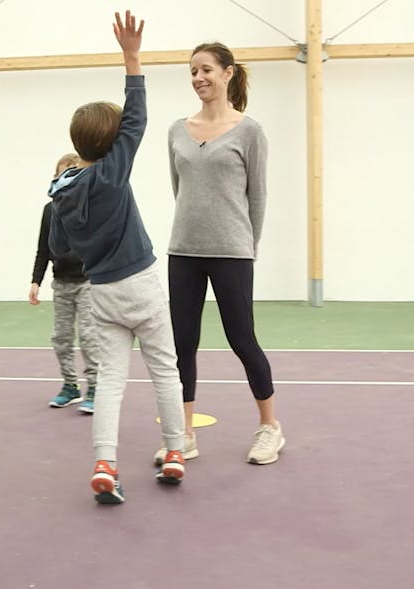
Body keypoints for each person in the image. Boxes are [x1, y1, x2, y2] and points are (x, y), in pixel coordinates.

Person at [49, 10, 186, 505]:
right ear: (111, 145)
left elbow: (60, 249)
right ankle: (174, 451)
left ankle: (105, 461)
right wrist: (132, 59)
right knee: (165, 371)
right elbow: (137, 119)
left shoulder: (61, 192)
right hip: (142, 284)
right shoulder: (111, 174)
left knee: (109, 381)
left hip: (100, 290)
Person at [163, 41, 284, 466]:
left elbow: (258, 198)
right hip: (184, 251)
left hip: (232, 252)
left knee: (242, 339)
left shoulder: (249, 132)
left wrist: (247, 248)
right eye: (193, 71)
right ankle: (184, 436)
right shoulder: (177, 130)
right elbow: (181, 190)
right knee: (182, 344)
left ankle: (270, 428)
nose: (198, 78)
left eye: (207, 70)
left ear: (228, 73)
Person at [29, 152, 101, 413]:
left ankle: (94, 387)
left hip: (87, 283)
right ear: (56, 178)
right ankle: (70, 386)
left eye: (75, 170)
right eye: (63, 172)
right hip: (61, 284)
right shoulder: (50, 211)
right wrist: (35, 280)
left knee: (89, 336)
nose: (69, 175)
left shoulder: (90, 207)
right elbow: (43, 248)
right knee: (61, 337)